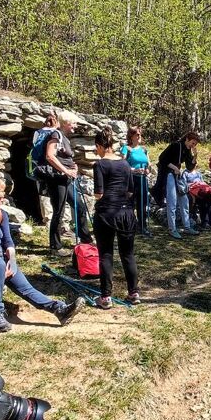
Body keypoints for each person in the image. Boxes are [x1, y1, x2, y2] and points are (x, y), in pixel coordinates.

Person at [0, 174, 83, 331]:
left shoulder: (1, 214)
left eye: (3, 191)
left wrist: (11, 261)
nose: (1, 195)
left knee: (26, 288)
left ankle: (59, 310)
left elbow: (8, 241)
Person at [93, 127, 141, 309]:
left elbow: (99, 193)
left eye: (96, 148)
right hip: (126, 213)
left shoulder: (99, 165)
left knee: (106, 254)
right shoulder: (125, 164)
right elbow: (130, 191)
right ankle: (133, 293)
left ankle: (106, 297)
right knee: (128, 254)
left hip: (106, 213)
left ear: (99, 146)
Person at [36, 110, 93, 252]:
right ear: (66, 123)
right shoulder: (56, 135)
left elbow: (63, 157)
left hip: (66, 179)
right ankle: (55, 246)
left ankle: (85, 240)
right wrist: (66, 170)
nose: (75, 126)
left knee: (79, 206)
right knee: (59, 211)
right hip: (57, 179)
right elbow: (50, 156)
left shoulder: (64, 137)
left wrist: (73, 166)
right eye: (73, 123)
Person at [154, 131, 200, 239]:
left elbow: (189, 167)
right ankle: (172, 229)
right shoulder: (175, 145)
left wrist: (195, 156)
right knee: (172, 202)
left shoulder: (187, 150)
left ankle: (187, 227)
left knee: (184, 200)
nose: (193, 146)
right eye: (192, 143)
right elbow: (162, 159)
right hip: (168, 174)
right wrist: (174, 168)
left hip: (178, 175)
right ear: (187, 139)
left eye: (195, 144)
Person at [120, 125, 152, 236]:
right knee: (130, 203)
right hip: (131, 179)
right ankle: (129, 225)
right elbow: (123, 165)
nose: (139, 136)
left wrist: (147, 170)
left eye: (140, 134)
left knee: (142, 203)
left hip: (143, 179)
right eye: (137, 134)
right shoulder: (126, 149)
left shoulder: (144, 149)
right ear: (131, 136)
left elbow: (149, 164)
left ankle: (142, 226)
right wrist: (134, 170)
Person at [185, 165, 211, 230]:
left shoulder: (198, 173)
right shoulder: (185, 173)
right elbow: (185, 185)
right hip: (193, 192)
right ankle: (205, 222)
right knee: (203, 202)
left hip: (201, 191)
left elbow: (202, 183)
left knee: (210, 202)